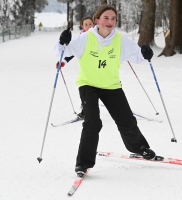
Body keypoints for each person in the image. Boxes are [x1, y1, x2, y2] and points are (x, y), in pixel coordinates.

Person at [54, 5, 156, 176]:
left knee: (127, 120)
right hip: (88, 84)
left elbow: (138, 56)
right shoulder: (86, 38)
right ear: (97, 21)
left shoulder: (120, 40)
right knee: (92, 122)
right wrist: (62, 41)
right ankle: (83, 163)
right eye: (106, 18)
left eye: (113, 18)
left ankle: (140, 148)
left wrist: (146, 54)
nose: (110, 22)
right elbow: (62, 52)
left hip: (111, 85)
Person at [56, 17, 94, 119]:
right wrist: (63, 62)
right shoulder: (81, 38)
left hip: (101, 67)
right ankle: (85, 110)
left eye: (90, 24)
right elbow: (72, 52)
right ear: (82, 26)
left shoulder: (99, 35)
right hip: (87, 69)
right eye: (86, 24)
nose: (89, 26)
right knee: (85, 89)